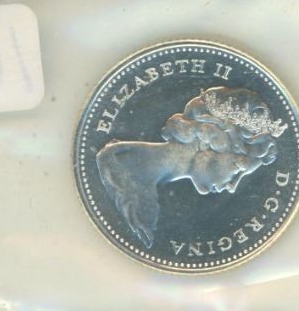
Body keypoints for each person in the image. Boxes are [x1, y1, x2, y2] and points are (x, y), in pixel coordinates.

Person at [96, 86, 287, 248]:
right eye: (238, 168)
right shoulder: (115, 165)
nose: (232, 186)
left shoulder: (130, 177)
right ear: (208, 142)